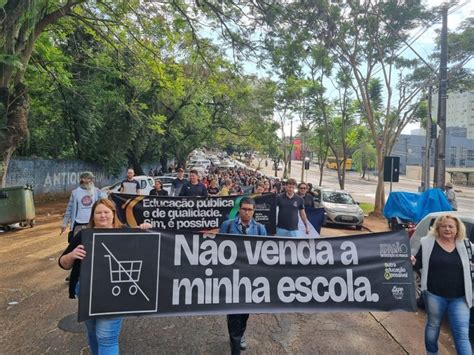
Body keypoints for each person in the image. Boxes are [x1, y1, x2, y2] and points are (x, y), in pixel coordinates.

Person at [58, 198, 150, 355]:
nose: (103, 216)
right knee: (93, 334)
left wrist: (144, 231)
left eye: (106, 212)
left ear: (113, 214)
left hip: (115, 293)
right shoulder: (83, 236)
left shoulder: (125, 233)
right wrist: (72, 255)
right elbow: (63, 263)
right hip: (88, 291)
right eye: (98, 213)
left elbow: (146, 252)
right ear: (92, 216)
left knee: (106, 337)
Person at [412, 214, 472, 355]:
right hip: (434, 295)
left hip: (460, 298)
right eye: (443, 226)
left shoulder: (466, 245)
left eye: (451, 226)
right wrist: (413, 261)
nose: (447, 229)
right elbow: (418, 263)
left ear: (457, 229)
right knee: (433, 326)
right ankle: (432, 353)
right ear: (437, 228)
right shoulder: (427, 243)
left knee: (462, 334)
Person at [219, 197, 267, 355]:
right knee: (233, 312)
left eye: (250, 210)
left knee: (245, 311)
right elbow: (218, 249)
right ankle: (236, 340)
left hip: (250, 278)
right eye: (244, 209)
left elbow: (265, 254)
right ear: (239, 209)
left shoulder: (260, 229)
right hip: (231, 277)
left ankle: (240, 334)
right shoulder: (227, 225)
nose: (246, 212)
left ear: (254, 211)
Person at [61, 171, 106, 238]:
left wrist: (106, 193)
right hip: (79, 223)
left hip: (93, 222)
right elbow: (69, 209)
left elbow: (104, 200)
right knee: (77, 244)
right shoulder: (75, 192)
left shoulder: (96, 191)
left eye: (92, 179)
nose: (91, 180)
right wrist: (64, 223)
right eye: (89, 178)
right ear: (83, 179)